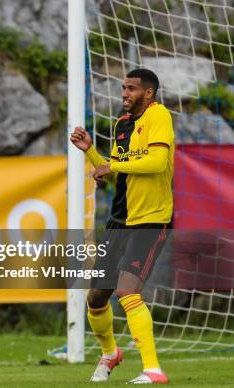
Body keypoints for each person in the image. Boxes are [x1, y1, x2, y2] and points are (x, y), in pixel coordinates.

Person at [70, 68, 174, 384]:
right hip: (119, 219)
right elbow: (118, 174)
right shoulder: (122, 125)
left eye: (131, 89)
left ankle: (153, 370)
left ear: (149, 93)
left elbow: (156, 163)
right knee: (96, 298)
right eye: (123, 88)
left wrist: (112, 165)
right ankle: (111, 354)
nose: (125, 93)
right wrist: (90, 151)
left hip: (151, 219)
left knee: (128, 292)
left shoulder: (160, 117)